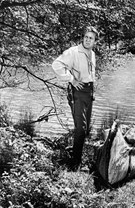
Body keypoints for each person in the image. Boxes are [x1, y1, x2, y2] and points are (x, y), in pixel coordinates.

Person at [52, 26, 98, 171]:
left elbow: (91, 73)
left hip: (89, 92)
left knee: (85, 128)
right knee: (81, 127)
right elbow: (56, 65)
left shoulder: (92, 54)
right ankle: (75, 164)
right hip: (77, 91)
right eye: (86, 36)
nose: (87, 39)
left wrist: (93, 90)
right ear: (83, 37)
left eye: (91, 38)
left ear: (95, 41)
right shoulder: (73, 52)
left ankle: (75, 153)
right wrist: (71, 79)